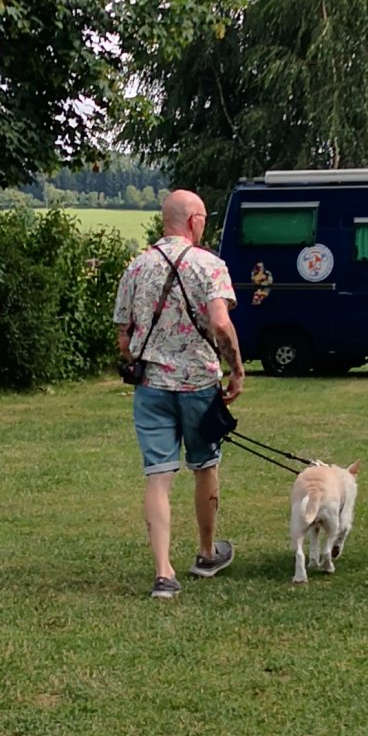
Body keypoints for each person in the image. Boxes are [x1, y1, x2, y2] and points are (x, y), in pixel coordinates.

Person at [113, 189, 245, 599]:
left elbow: (124, 337)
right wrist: (236, 368)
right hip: (198, 386)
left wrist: (147, 358)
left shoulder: (137, 266)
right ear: (193, 221)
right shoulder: (210, 265)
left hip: (151, 387)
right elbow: (220, 324)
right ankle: (206, 554)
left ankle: (164, 573)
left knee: (158, 475)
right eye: (203, 217)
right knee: (205, 465)